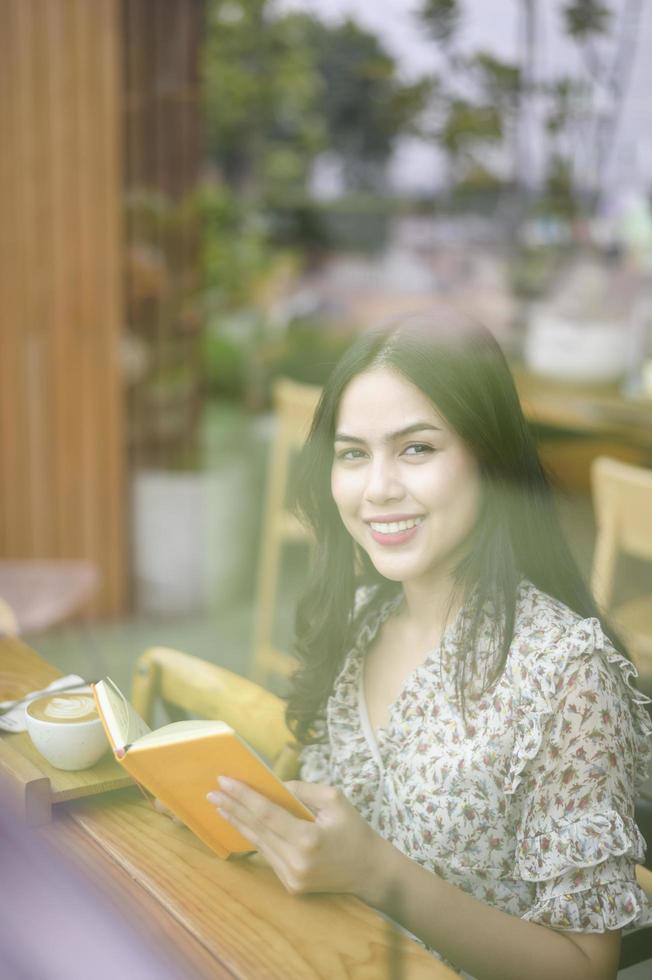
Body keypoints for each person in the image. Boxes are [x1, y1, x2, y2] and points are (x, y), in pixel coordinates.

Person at [207, 313, 652, 980]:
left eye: (417, 449)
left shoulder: (568, 672)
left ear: (490, 459)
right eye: (353, 453)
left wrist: (378, 874)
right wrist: (246, 811)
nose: (379, 487)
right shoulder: (360, 620)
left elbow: (585, 967)